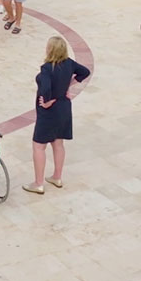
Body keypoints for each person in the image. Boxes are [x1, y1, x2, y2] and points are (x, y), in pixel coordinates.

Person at [24, 36, 91, 195]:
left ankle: (39, 183)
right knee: (58, 143)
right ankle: (57, 177)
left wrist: (47, 101)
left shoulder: (47, 68)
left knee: (39, 146)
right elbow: (85, 72)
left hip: (49, 112)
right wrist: (69, 85)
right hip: (64, 108)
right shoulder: (69, 63)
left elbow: (46, 87)